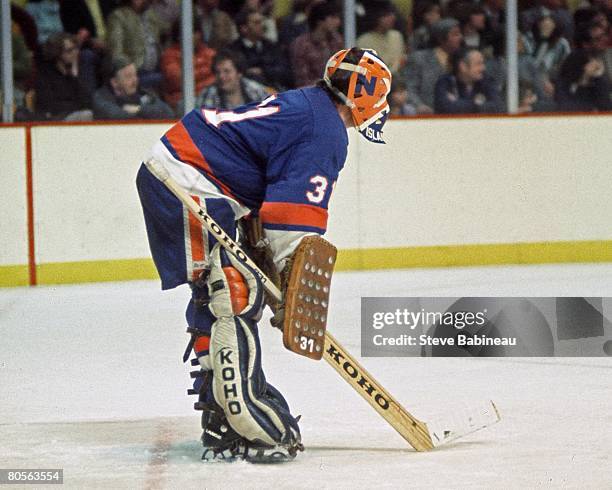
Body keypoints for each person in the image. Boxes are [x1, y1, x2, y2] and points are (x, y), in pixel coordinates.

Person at [135, 47, 392, 463]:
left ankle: (220, 410)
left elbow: (268, 185)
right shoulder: (325, 130)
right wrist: (291, 275)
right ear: (365, 99)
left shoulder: (310, 106)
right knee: (234, 292)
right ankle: (246, 418)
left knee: (218, 291)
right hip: (188, 179)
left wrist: (279, 270)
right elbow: (290, 217)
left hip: (184, 172)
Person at [405, 17, 464, 113]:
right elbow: (410, 88)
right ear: (441, 38)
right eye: (455, 34)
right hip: (425, 115)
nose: (460, 37)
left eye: (460, 34)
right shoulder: (419, 59)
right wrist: (419, 106)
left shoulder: (462, 59)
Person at [107, 0, 166, 90]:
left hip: (158, 67)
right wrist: (130, 70)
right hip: (136, 71)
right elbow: (116, 52)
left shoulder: (150, 14)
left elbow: (167, 29)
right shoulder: (118, 16)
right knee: (162, 78)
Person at [35, 33, 93, 121]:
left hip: (72, 116)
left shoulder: (73, 74)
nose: (75, 53)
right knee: (86, 115)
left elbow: (88, 102)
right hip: (55, 120)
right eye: (70, 50)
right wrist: (75, 105)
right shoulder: (45, 76)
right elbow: (49, 106)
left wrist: (75, 76)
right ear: (57, 53)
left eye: (76, 49)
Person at [92, 56, 174, 119]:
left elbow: (168, 113)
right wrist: (148, 114)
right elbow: (117, 117)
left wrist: (139, 109)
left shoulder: (143, 94)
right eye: (128, 76)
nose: (135, 80)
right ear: (115, 82)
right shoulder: (101, 98)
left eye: (135, 75)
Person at [160, 20, 216, 111]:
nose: (196, 36)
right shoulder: (169, 55)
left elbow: (218, 76)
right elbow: (179, 80)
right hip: (182, 99)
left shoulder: (209, 52)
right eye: (193, 32)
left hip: (209, 96)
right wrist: (205, 74)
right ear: (179, 36)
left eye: (197, 32)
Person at [230, 8, 290, 90]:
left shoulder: (271, 46)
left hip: (276, 91)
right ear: (244, 28)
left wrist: (263, 71)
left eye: (262, 22)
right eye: (257, 23)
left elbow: (285, 72)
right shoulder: (233, 50)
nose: (262, 25)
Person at [434, 46, 504, 114]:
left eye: (483, 63)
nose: (483, 68)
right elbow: (446, 108)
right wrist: (479, 104)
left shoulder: (487, 81)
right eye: (478, 64)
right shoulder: (445, 82)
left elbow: (498, 107)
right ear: (463, 66)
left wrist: (459, 103)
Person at [290, 2, 344, 87]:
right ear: (320, 21)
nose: (338, 22)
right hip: (309, 93)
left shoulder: (336, 41)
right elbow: (302, 80)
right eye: (333, 17)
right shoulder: (302, 44)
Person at [194, 50, 270, 110]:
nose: (221, 76)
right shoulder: (208, 94)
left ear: (239, 73)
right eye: (218, 72)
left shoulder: (255, 90)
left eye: (227, 71)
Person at [356, 1, 406, 76]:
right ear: (376, 17)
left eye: (392, 14)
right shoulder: (363, 41)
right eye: (386, 16)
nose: (392, 18)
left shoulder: (397, 36)